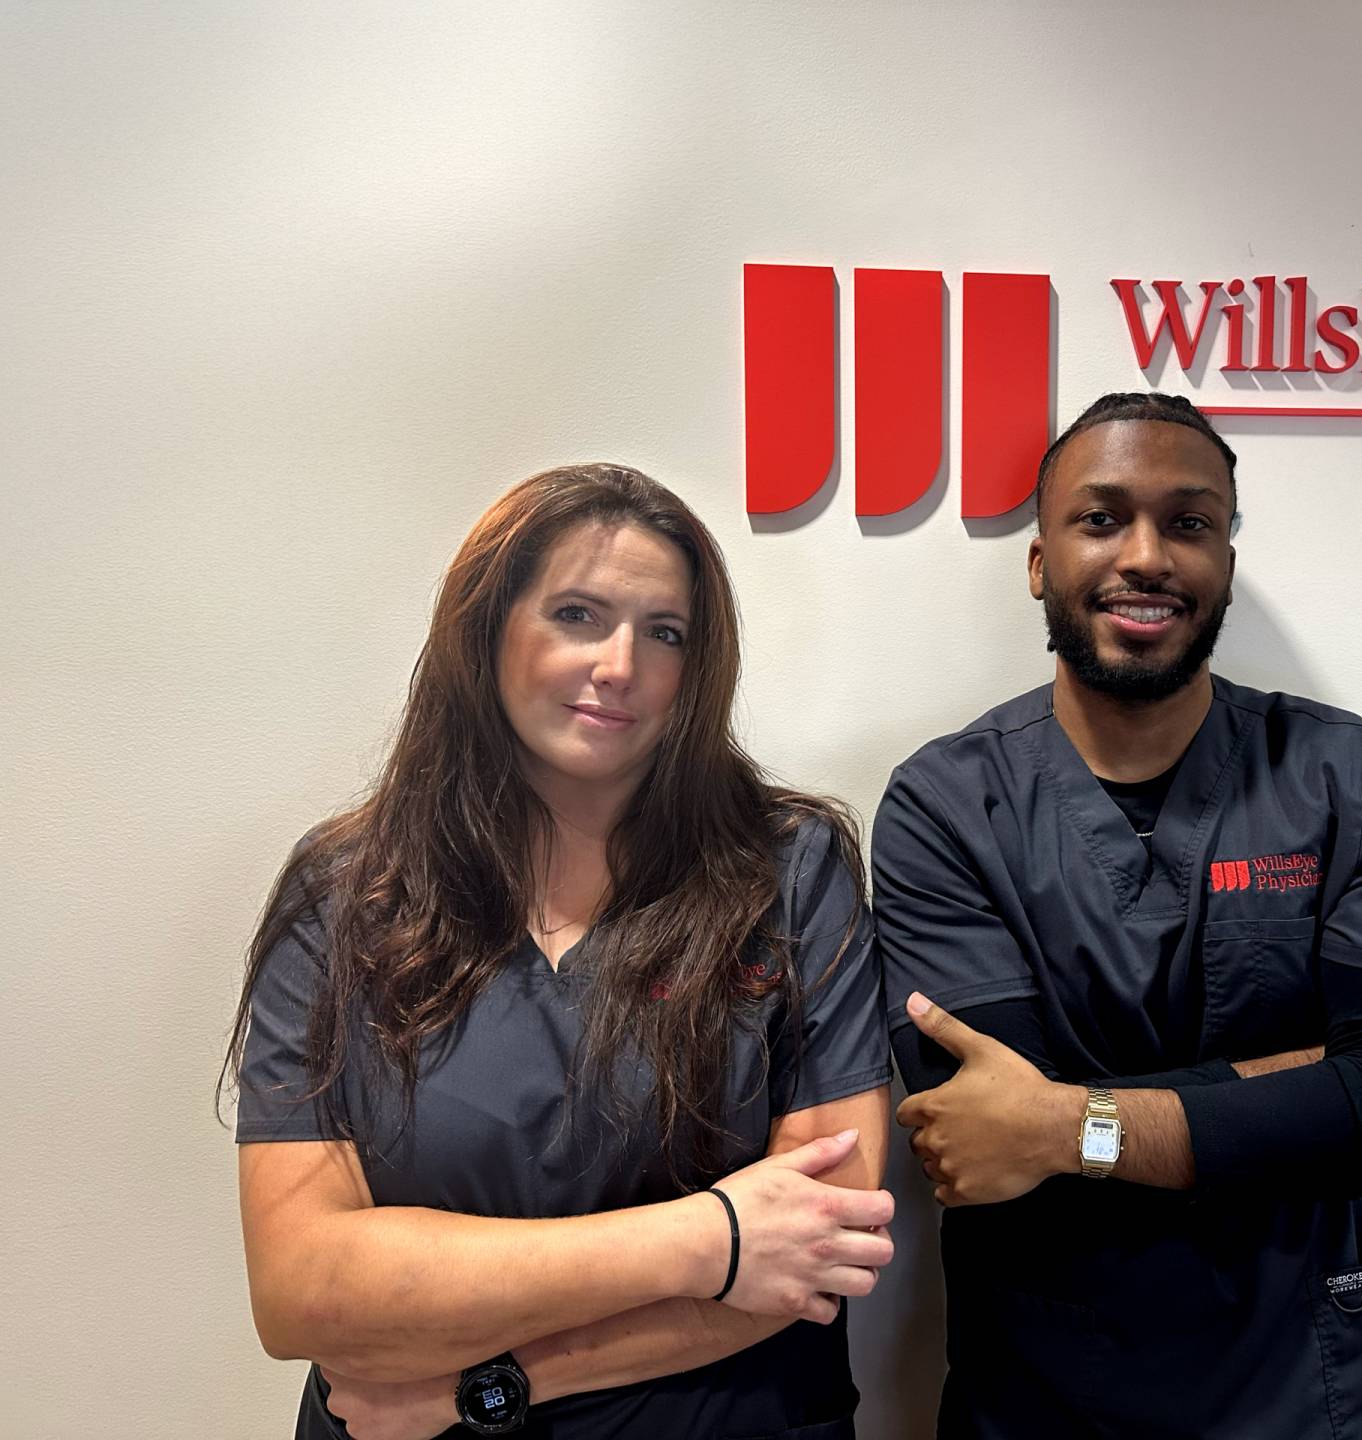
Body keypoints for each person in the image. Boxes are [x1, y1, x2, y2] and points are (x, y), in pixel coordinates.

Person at [225, 463, 896, 1439]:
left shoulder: (788, 869)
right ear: (486, 630)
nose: (620, 665)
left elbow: (824, 1240)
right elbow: (302, 1290)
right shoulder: (346, 895)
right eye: (577, 615)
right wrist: (710, 1238)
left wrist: (489, 1386)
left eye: (665, 633)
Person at [875, 393, 1362, 1439]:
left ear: (1226, 566)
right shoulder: (946, 805)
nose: (1146, 556)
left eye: (1189, 523)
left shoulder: (1355, 777)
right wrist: (1314, 1078)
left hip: (1306, 1384)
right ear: (1039, 562)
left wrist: (1068, 1125)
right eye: (1101, 518)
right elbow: (979, 1139)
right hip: (1044, 1391)